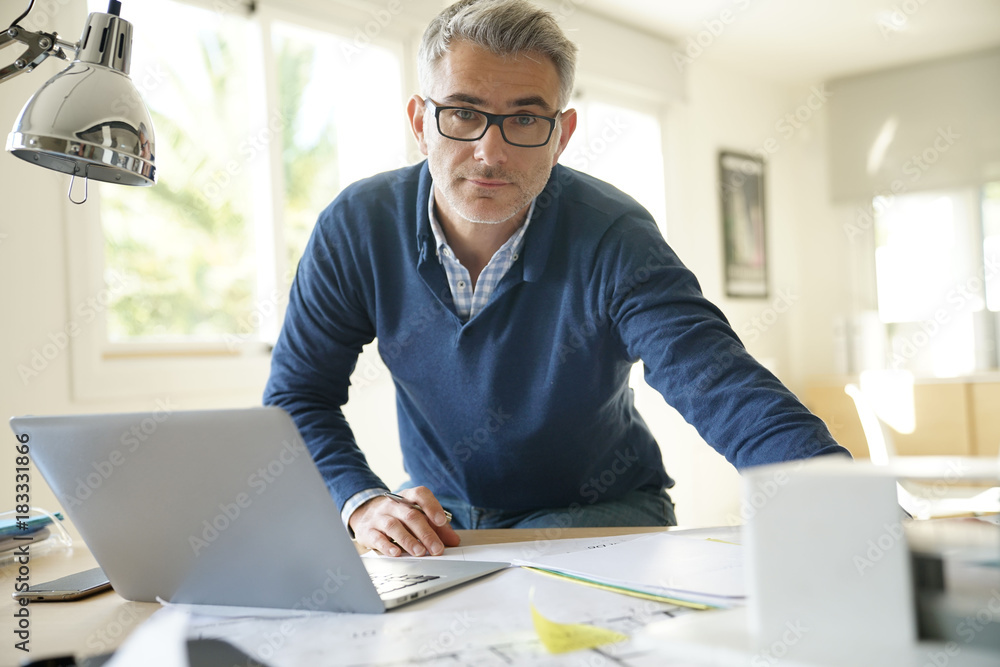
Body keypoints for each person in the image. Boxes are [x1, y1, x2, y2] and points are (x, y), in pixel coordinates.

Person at [263, 0, 849, 558]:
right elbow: (298, 396)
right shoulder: (357, 226)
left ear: (562, 135)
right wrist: (362, 502)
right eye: (464, 113)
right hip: (447, 524)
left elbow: (720, 383)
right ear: (421, 121)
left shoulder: (613, 234)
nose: (490, 153)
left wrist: (851, 512)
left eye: (524, 118)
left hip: (600, 513)